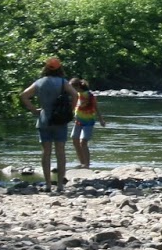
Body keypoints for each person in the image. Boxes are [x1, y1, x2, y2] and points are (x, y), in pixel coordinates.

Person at [20, 57, 72, 187]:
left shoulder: (39, 82)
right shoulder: (63, 82)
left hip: (44, 119)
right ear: (60, 68)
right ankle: (60, 184)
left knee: (46, 152)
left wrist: (34, 110)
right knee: (60, 152)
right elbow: (76, 95)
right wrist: (71, 110)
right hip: (60, 120)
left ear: (46, 68)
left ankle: (48, 184)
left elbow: (24, 95)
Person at [70, 77, 107, 169]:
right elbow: (74, 106)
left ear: (78, 86)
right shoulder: (76, 95)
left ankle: (87, 164)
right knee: (74, 139)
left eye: (72, 87)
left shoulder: (90, 95)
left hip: (88, 121)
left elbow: (96, 108)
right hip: (78, 121)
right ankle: (82, 162)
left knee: (83, 142)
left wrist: (101, 119)